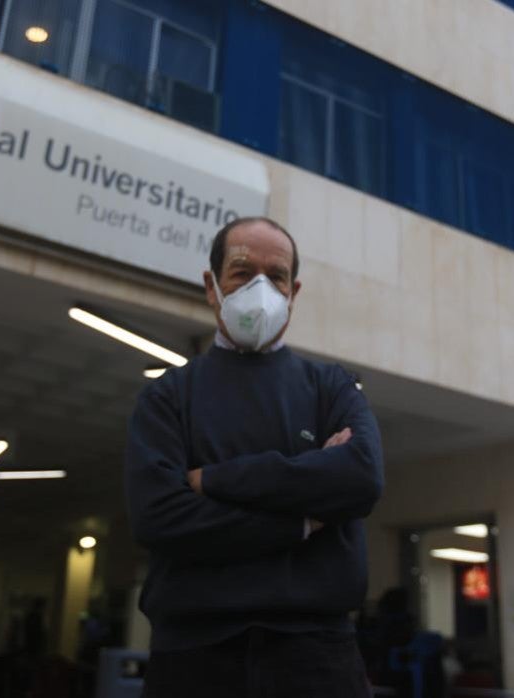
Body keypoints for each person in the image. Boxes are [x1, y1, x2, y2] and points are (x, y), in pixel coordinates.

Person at [124, 216, 385, 697]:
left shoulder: (332, 388)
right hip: (193, 659)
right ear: (211, 286)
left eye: (276, 276)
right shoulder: (167, 398)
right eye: (242, 273)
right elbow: (159, 517)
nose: (260, 288)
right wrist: (302, 521)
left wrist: (215, 481)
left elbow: (361, 477)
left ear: (293, 292)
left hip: (318, 659)